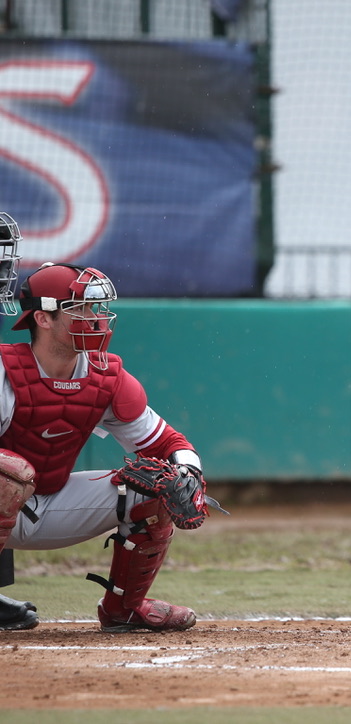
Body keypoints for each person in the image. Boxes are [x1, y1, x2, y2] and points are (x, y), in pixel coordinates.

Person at [0, 212, 209, 632]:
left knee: (154, 485)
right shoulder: (5, 371)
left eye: (96, 307)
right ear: (43, 318)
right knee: (10, 472)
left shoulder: (105, 376)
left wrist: (188, 473)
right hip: (7, 494)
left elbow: (167, 443)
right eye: (79, 308)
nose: (94, 317)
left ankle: (124, 609)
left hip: (47, 503)